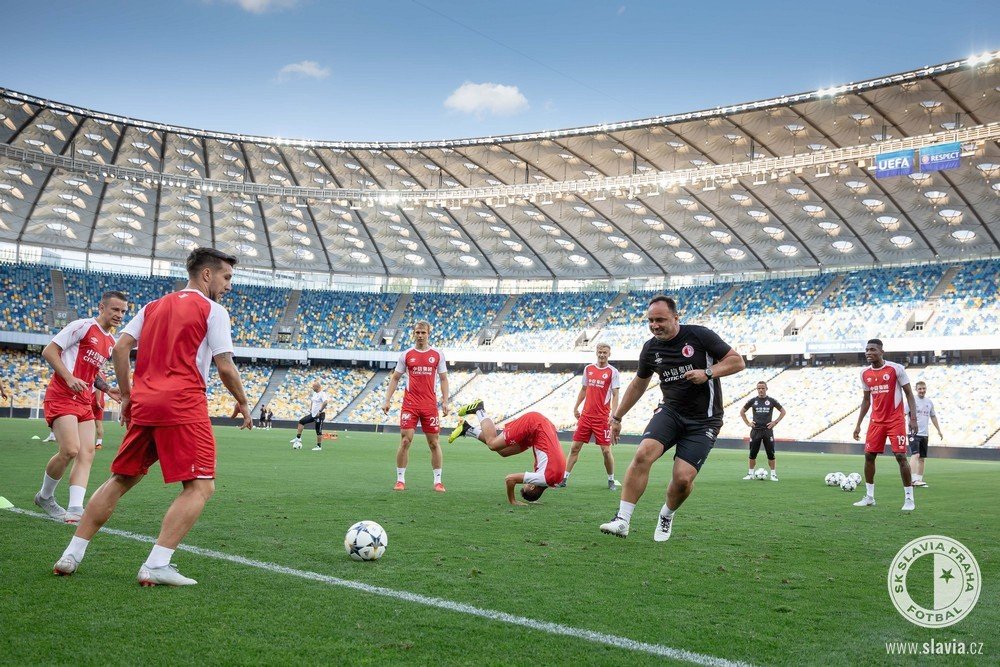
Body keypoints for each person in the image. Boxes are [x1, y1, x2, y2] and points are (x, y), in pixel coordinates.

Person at [52, 247, 252, 586]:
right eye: (226, 277)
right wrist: (244, 402)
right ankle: (157, 563)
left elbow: (119, 348)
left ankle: (71, 554)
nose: (229, 285)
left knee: (121, 478)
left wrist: (128, 396)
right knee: (200, 486)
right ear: (207, 275)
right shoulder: (213, 310)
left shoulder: (152, 306)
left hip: (145, 403)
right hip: (183, 404)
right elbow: (225, 365)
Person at [598, 295, 745, 541]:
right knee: (643, 453)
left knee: (683, 480)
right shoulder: (650, 348)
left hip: (704, 421)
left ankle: (666, 514)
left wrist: (708, 373)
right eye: (650, 320)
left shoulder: (699, 336)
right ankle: (622, 520)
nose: (655, 325)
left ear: (676, 318)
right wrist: (617, 417)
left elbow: (737, 362)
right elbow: (638, 384)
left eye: (660, 320)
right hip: (670, 412)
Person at [35, 291, 126, 523]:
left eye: (123, 311)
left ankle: (75, 509)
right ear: (101, 307)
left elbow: (93, 373)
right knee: (70, 450)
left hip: (84, 399)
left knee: (87, 453)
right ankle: (45, 496)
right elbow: (49, 351)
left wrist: (107, 389)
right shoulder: (82, 326)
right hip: (62, 395)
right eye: (115, 309)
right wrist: (68, 377)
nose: (119, 315)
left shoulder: (111, 342)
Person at [450, 401, 566, 506]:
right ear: (532, 485)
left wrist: (533, 498)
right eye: (526, 483)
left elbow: (547, 482)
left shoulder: (554, 480)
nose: (525, 481)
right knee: (493, 444)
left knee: (503, 452)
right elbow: (510, 479)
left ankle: (468, 429)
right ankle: (479, 409)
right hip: (534, 424)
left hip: (539, 431)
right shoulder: (544, 478)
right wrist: (513, 500)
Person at [383, 321, 450, 492]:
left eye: (423, 332)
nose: (420, 335)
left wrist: (445, 401)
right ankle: (400, 480)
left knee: (434, 443)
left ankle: (438, 481)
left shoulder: (437, 355)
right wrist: (387, 399)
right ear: (413, 334)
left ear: (429, 334)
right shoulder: (406, 355)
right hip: (410, 404)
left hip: (429, 405)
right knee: (405, 440)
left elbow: (443, 378)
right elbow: (396, 377)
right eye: (417, 332)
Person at [851, 338, 918, 511]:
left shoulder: (896, 369)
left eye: (872, 349)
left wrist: (913, 419)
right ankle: (869, 497)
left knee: (901, 457)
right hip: (876, 421)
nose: (868, 353)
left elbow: (909, 394)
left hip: (895, 420)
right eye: (866, 350)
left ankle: (909, 499)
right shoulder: (864, 374)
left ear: (881, 352)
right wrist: (858, 424)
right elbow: (866, 400)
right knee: (869, 456)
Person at [559, 343, 621, 489]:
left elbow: (616, 394)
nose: (602, 355)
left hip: (602, 418)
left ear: (609, 354)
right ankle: (564, 478)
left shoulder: (613, 372)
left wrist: (614, 414)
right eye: (600, 352)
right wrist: (576, 407)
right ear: (596, 353)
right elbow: (583, 389)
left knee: (606, 451)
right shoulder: (589, 369)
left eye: (605, 352)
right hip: (586, 417)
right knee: (574, 448)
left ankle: (611, 480)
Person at [740, 381, 786, 481]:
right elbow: (742, 411)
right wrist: (748, 423)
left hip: (767, 431)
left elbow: (783, 411)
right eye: (759, 388)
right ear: (757, 389)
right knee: (752, 454)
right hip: (755, 431)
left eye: (763, 388)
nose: (761, 390)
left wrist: (775, 422)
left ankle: (773, 474)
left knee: (771, 454)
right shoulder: (752, 401)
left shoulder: (771, 401)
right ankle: (750, 474)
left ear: (766, 389)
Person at [907, 380, 942, 488]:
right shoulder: (911, 401)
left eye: (923, 388)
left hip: (924, 434)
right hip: (913, 433)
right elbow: (903, 413)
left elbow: (933, 416)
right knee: (915, 455)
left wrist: (939, 430)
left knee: (922, 458)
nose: (922, 391)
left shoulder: (929, 402)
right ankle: (912, 480)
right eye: (920, 389)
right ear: (916, 390)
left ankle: (919, 480)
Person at [290, 382, 328, 451]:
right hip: (313, 414)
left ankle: (319, 446)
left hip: (319, 415)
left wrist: (319, 411)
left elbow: (325, 402)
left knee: (318, 430)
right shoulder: (315, 393)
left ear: (317, 387)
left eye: (313, 387)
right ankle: (298, 438)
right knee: (301, 421)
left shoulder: (322, 394)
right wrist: (311, 407)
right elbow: (312, 401)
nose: (312, 388)